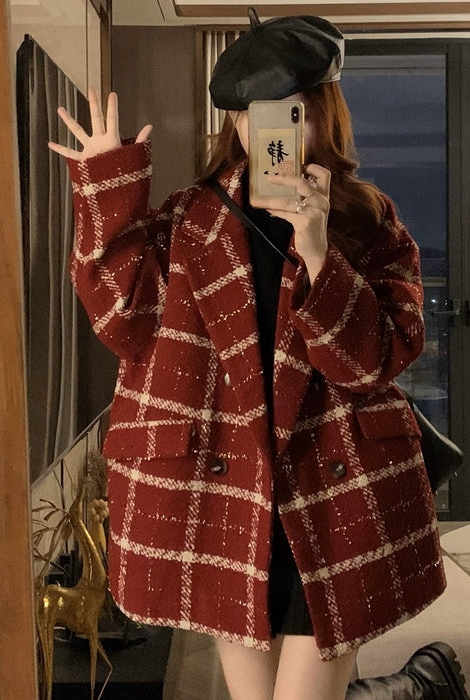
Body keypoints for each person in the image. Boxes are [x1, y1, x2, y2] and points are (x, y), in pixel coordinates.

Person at [48, 9, 447, 700]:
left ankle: (412, 686)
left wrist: (318, 250)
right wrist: (109, 187)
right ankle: (415, 687)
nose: (269, 132)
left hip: (332, 494)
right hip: (224, 496)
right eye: (250, 114)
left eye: (291, 112)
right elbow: (122, 322)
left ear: (323, 115)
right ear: (233, 124)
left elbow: (372, 362)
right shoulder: (187, 219)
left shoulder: (368, 220)